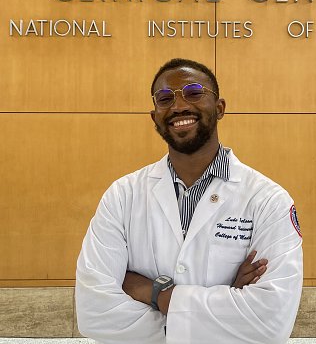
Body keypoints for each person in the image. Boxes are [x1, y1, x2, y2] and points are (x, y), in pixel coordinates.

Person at [75, 58, 303, 344]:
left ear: (219, 108)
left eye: (194, 92)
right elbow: (94, 312)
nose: (179, 106)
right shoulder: (123, 195)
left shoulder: (268, 200)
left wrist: (155, 294)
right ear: (154, 116)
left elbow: (271, 321)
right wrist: (226, 303)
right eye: (165, 98)